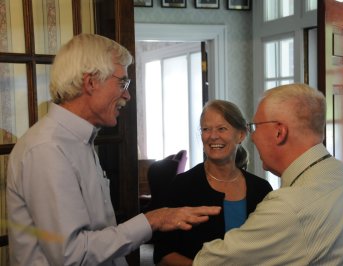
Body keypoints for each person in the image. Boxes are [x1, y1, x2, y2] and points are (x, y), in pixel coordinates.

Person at [6, 33, 220, 266]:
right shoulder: (47, 149)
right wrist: (152, 221)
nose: (127, 95)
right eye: (122, 83)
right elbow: (72, 255)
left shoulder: (77, 141)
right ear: (91, 82)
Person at [193, 83, 343, 265]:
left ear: (279, 132)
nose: (254, 137)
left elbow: (209, 262)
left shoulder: (289, 207)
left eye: (255, 127)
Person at [153, 100, 273, 265]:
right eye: (206, 129)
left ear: (241, 135)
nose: (212, 136)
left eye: (222, 128)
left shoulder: (261, 189)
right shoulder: (182, 185)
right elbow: (163, 253)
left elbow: (271, 249)